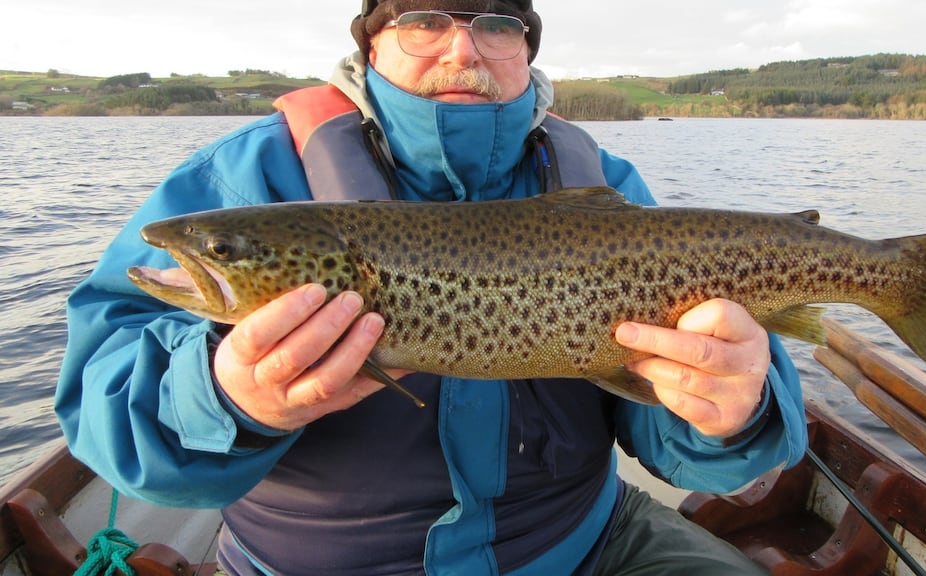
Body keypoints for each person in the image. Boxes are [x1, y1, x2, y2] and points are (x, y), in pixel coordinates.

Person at [56, 1, 807, 574]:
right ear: (371, 43)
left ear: (526, 49)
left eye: (496, 24)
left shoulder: (607, 188)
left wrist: (733, 414)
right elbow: (101, 395)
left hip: (578, 544)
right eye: (423, 20)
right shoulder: (238, 181)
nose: (463, 48)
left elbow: (674, 443)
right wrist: (222, 396)